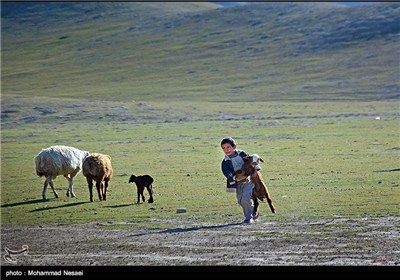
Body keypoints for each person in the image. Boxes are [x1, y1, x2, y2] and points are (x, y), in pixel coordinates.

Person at [220, 137, 258, 224]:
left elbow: (250, 162)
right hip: (238, 183)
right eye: (223, 148)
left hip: (249, 180)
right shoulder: (225, 162)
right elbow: (226, 172)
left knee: (245, 198)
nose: (226, 150)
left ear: (234, 146)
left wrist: (254, 170)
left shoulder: (242, 154)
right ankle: (254, 212)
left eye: (228, 147)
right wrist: (235, 177)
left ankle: (249, 217)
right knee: (240, 200)